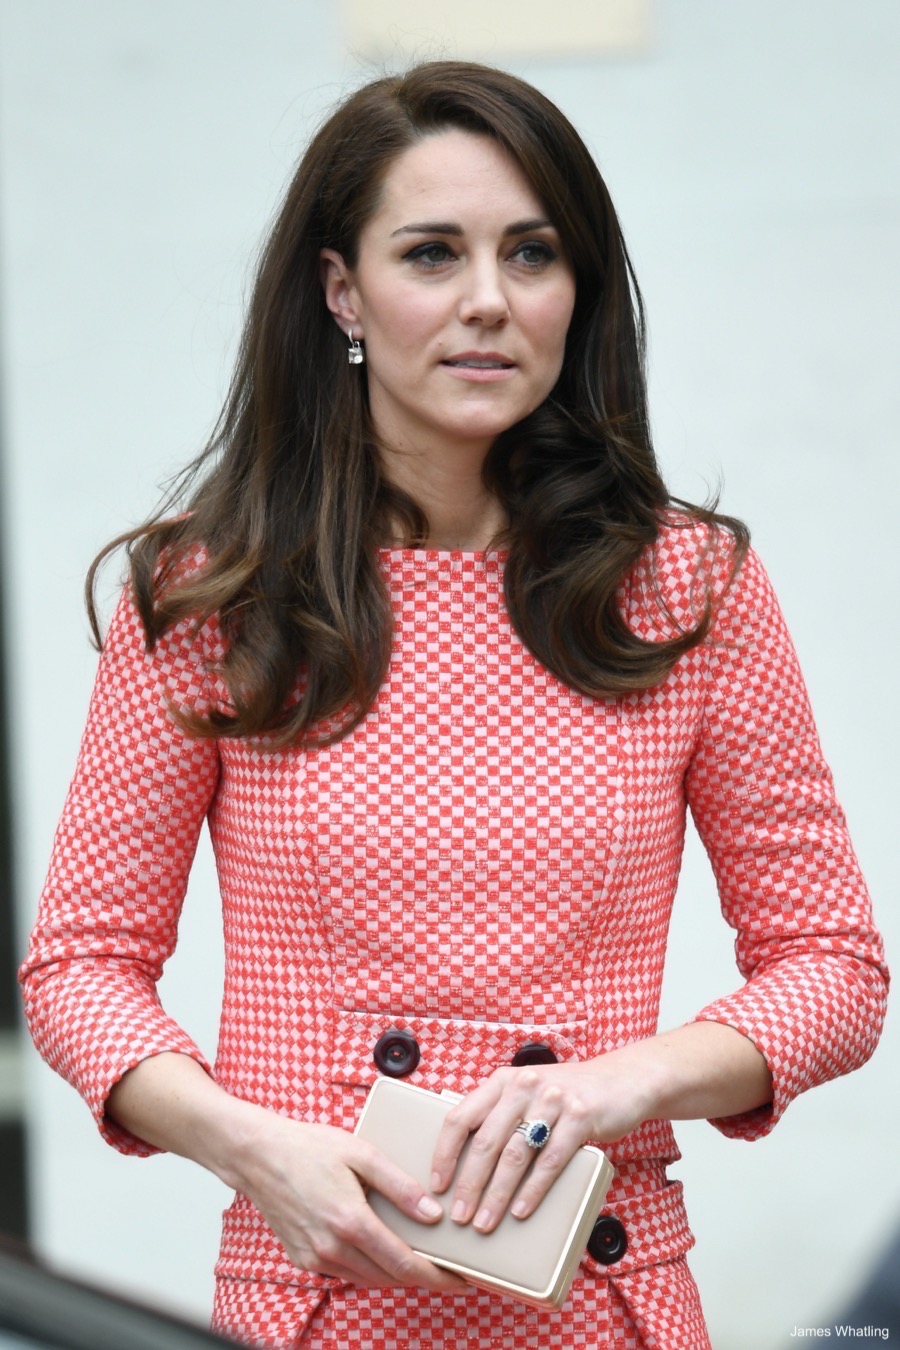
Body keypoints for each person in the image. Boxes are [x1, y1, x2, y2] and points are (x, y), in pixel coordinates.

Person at [19, 60, 888, 1350]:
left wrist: (611, 1086)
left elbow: (835, 970)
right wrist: (249, 1149)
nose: (488, 302)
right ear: (341, 290)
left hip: (602, 1290)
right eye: (432, 253)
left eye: (531, 254)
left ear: (578, 289)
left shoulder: (687, 585)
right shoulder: (213, 594)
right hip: (313, 1290)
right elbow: (79, 968)